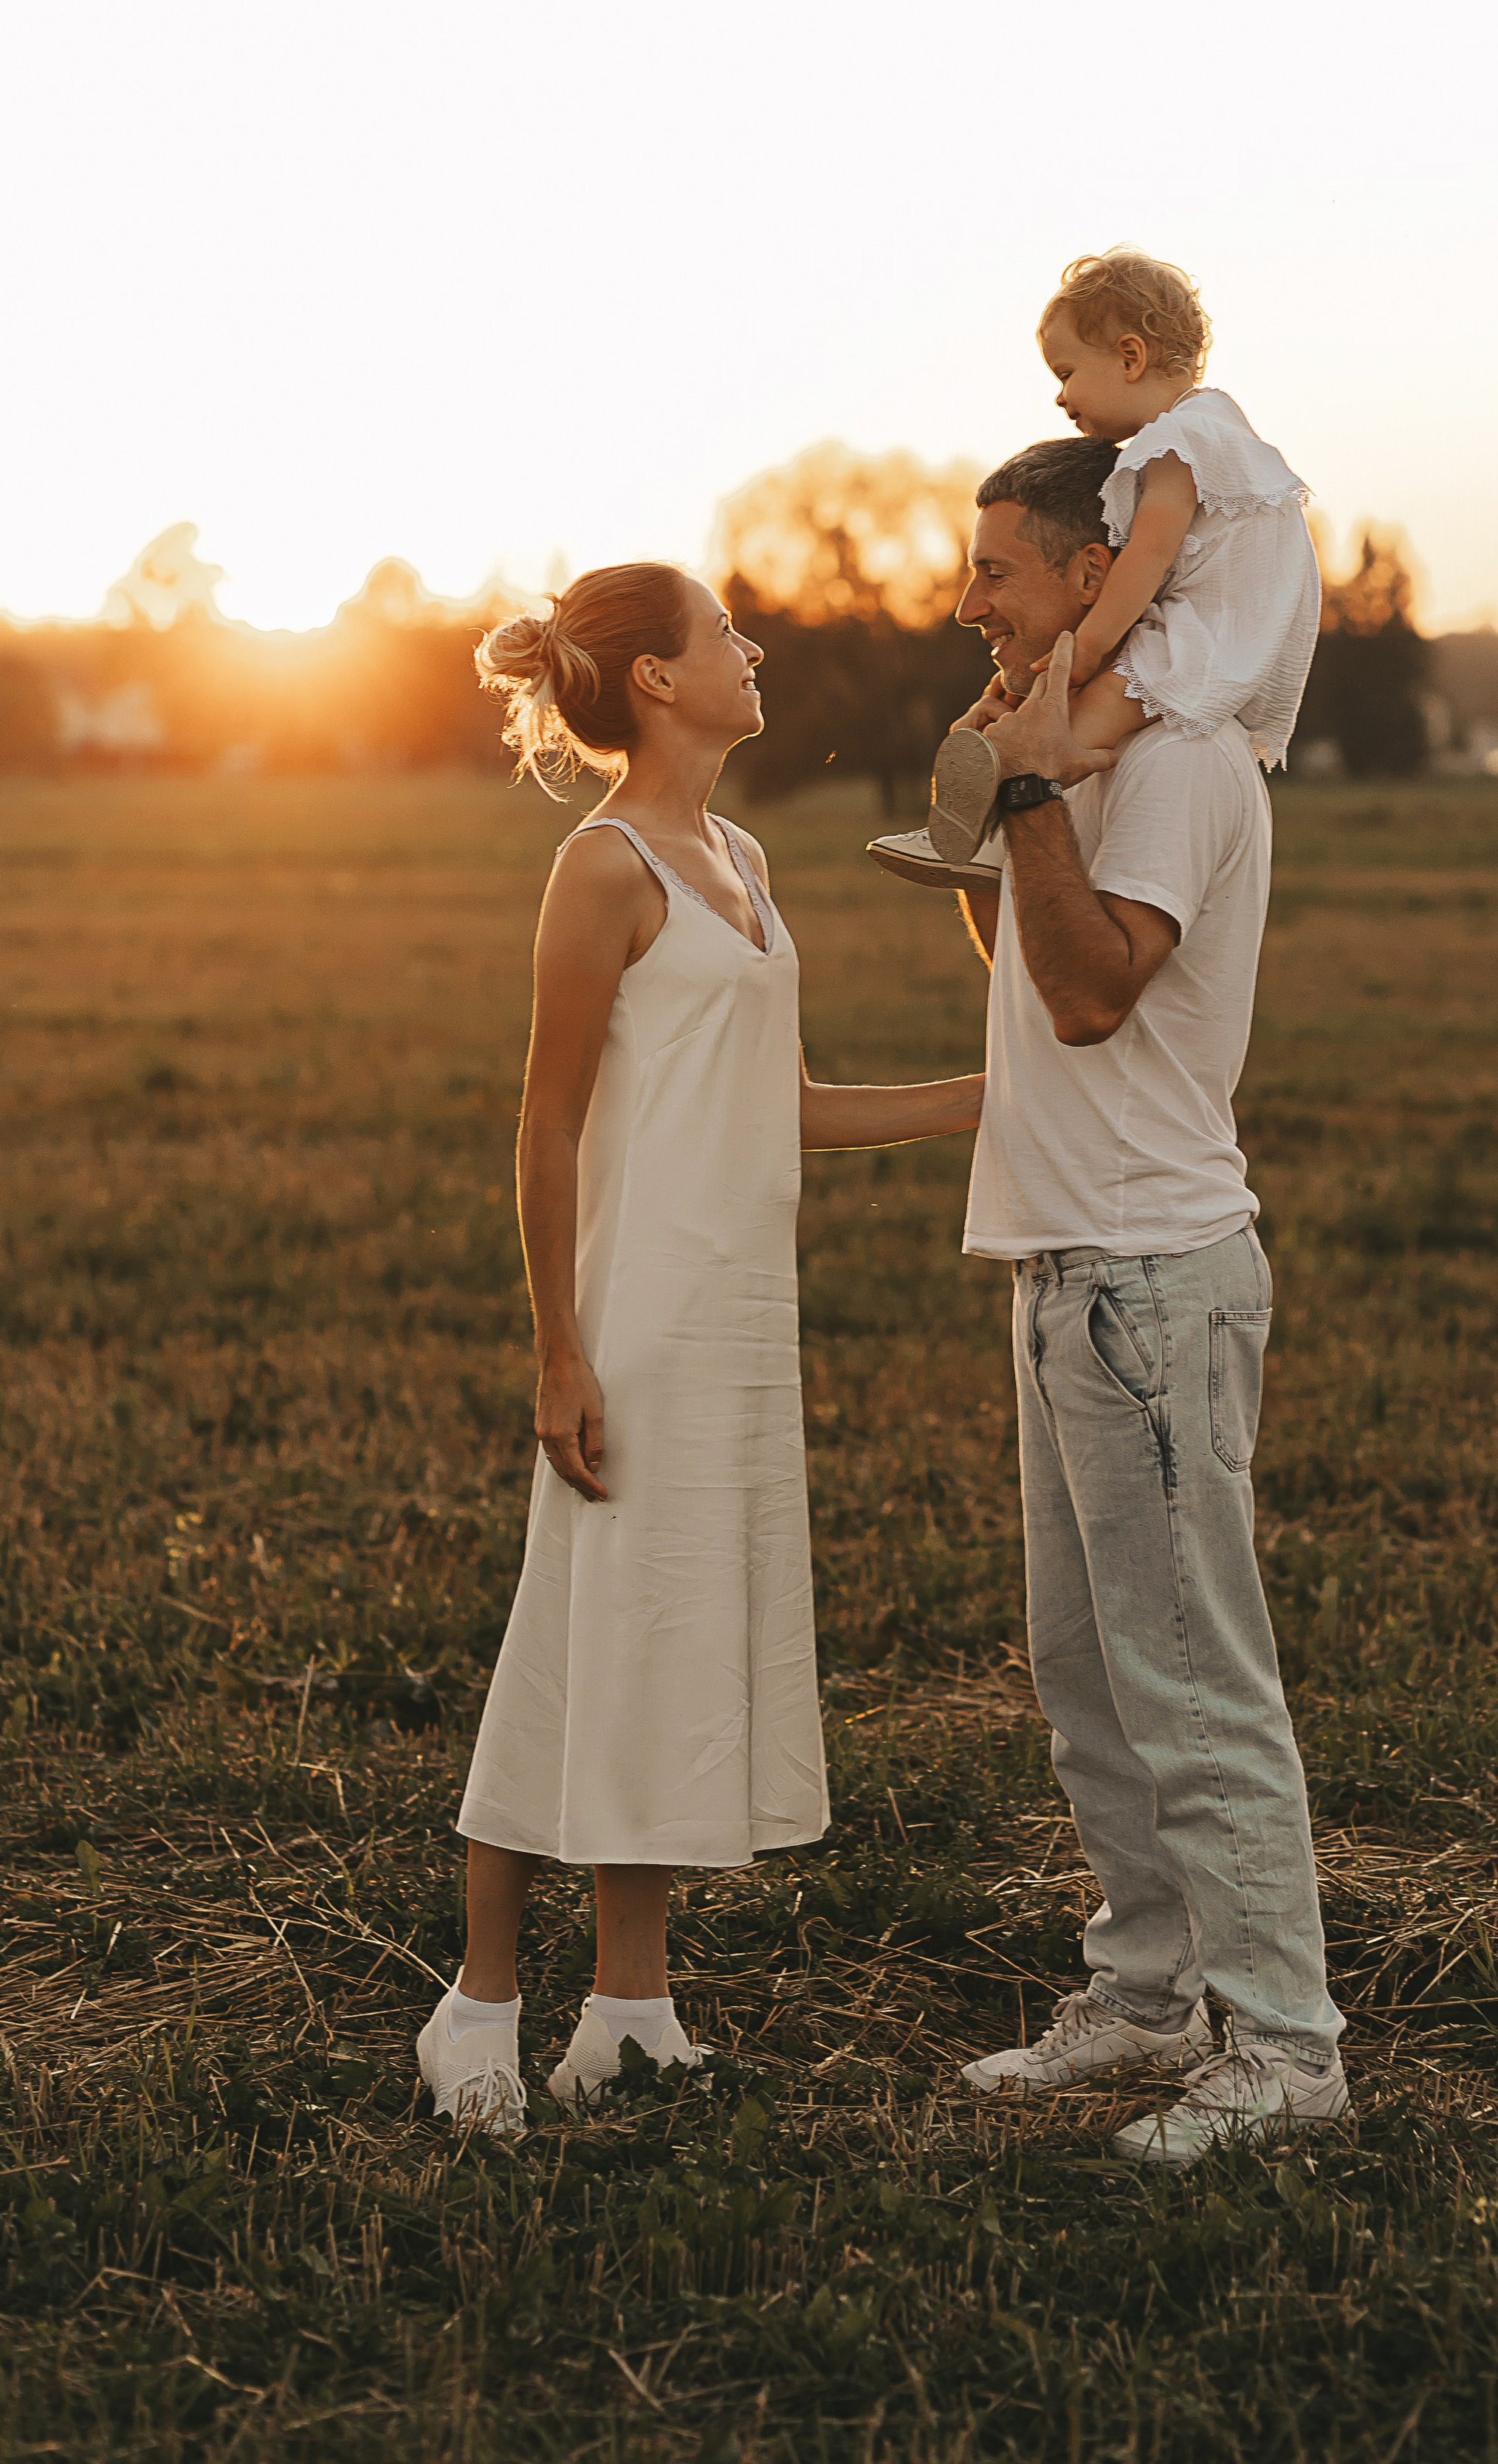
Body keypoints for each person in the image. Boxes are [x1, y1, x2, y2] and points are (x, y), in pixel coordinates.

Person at [416, 561, 983, 2135]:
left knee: (664, 1649)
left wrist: (979, 1094)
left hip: (741, 1317)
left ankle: (630, 2015)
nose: (754, 651)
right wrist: (558, 1352)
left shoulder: (735, 852)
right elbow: (543, 1123)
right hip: (637, 1318)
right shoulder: (599, 867)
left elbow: (783, 1107)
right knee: (579, 1644)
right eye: (725, 635)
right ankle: (474, 2006)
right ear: (657, 680)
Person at [922, 439, 1347, 2166]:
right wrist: (1002, 791)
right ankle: (1147, 1996)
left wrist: (1027, 801)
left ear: (1101, 580)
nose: (968, 601)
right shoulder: (1089, 753)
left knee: (1189, 1683)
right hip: (1060, 1266)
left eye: (1000, 573)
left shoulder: (1174, 763)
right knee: (1088, 1674)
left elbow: (1093, 995)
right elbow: (1029, 969)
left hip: (1148, 1281)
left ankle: (1286, 2047)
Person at [911, 247, 1321, 882]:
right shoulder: (1223, 427)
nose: (1059, 397)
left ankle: (1005, 801)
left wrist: (1091, 646)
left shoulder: (1174, 445)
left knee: (1078, 713)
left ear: (1130, 357)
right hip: (1232, 626)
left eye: (1067, 372)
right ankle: (987, 824)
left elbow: (1150, 557)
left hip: (1203, 631)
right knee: (1068, 711)